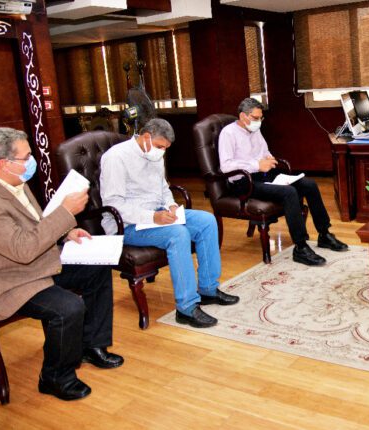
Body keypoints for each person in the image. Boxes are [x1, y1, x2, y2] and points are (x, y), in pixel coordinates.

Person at [0, 128, 123, 401]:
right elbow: (23, 249)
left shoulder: (14, 182)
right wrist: (65, 213)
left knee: (97, 267)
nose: (32, 161)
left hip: (37, 264)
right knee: (68, 307)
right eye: (26, 157)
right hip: (9, 280)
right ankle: (55, 377)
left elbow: (33, 226)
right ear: (4, 163)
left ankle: (91, 345)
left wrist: (65, 233)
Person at [100, 118, 236, 329]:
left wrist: (171, 205)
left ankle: (208, 289)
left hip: (156, 215)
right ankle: (186, 308)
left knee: (207, 221)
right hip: (126, 225)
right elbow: (114, 204)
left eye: (165, 148)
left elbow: (163, 188)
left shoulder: (153, 153)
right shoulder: (115, 157)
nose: (162, 152)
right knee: (178, 234)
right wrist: (152, 217)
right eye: (160, 146)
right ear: (146, 137)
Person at [218, 98, 348, 266]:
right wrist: (256, 165)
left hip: (263, 174)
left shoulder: (255, 130)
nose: (259, 122)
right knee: (289, 192)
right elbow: (226, 166)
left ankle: (324, 234)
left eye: (261, 118)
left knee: (309, 184)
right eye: (255, 118)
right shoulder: (228, 133)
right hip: (243, 182)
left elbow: (264, 151)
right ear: (243, 116)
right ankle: (300, 247)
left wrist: (269, 158)